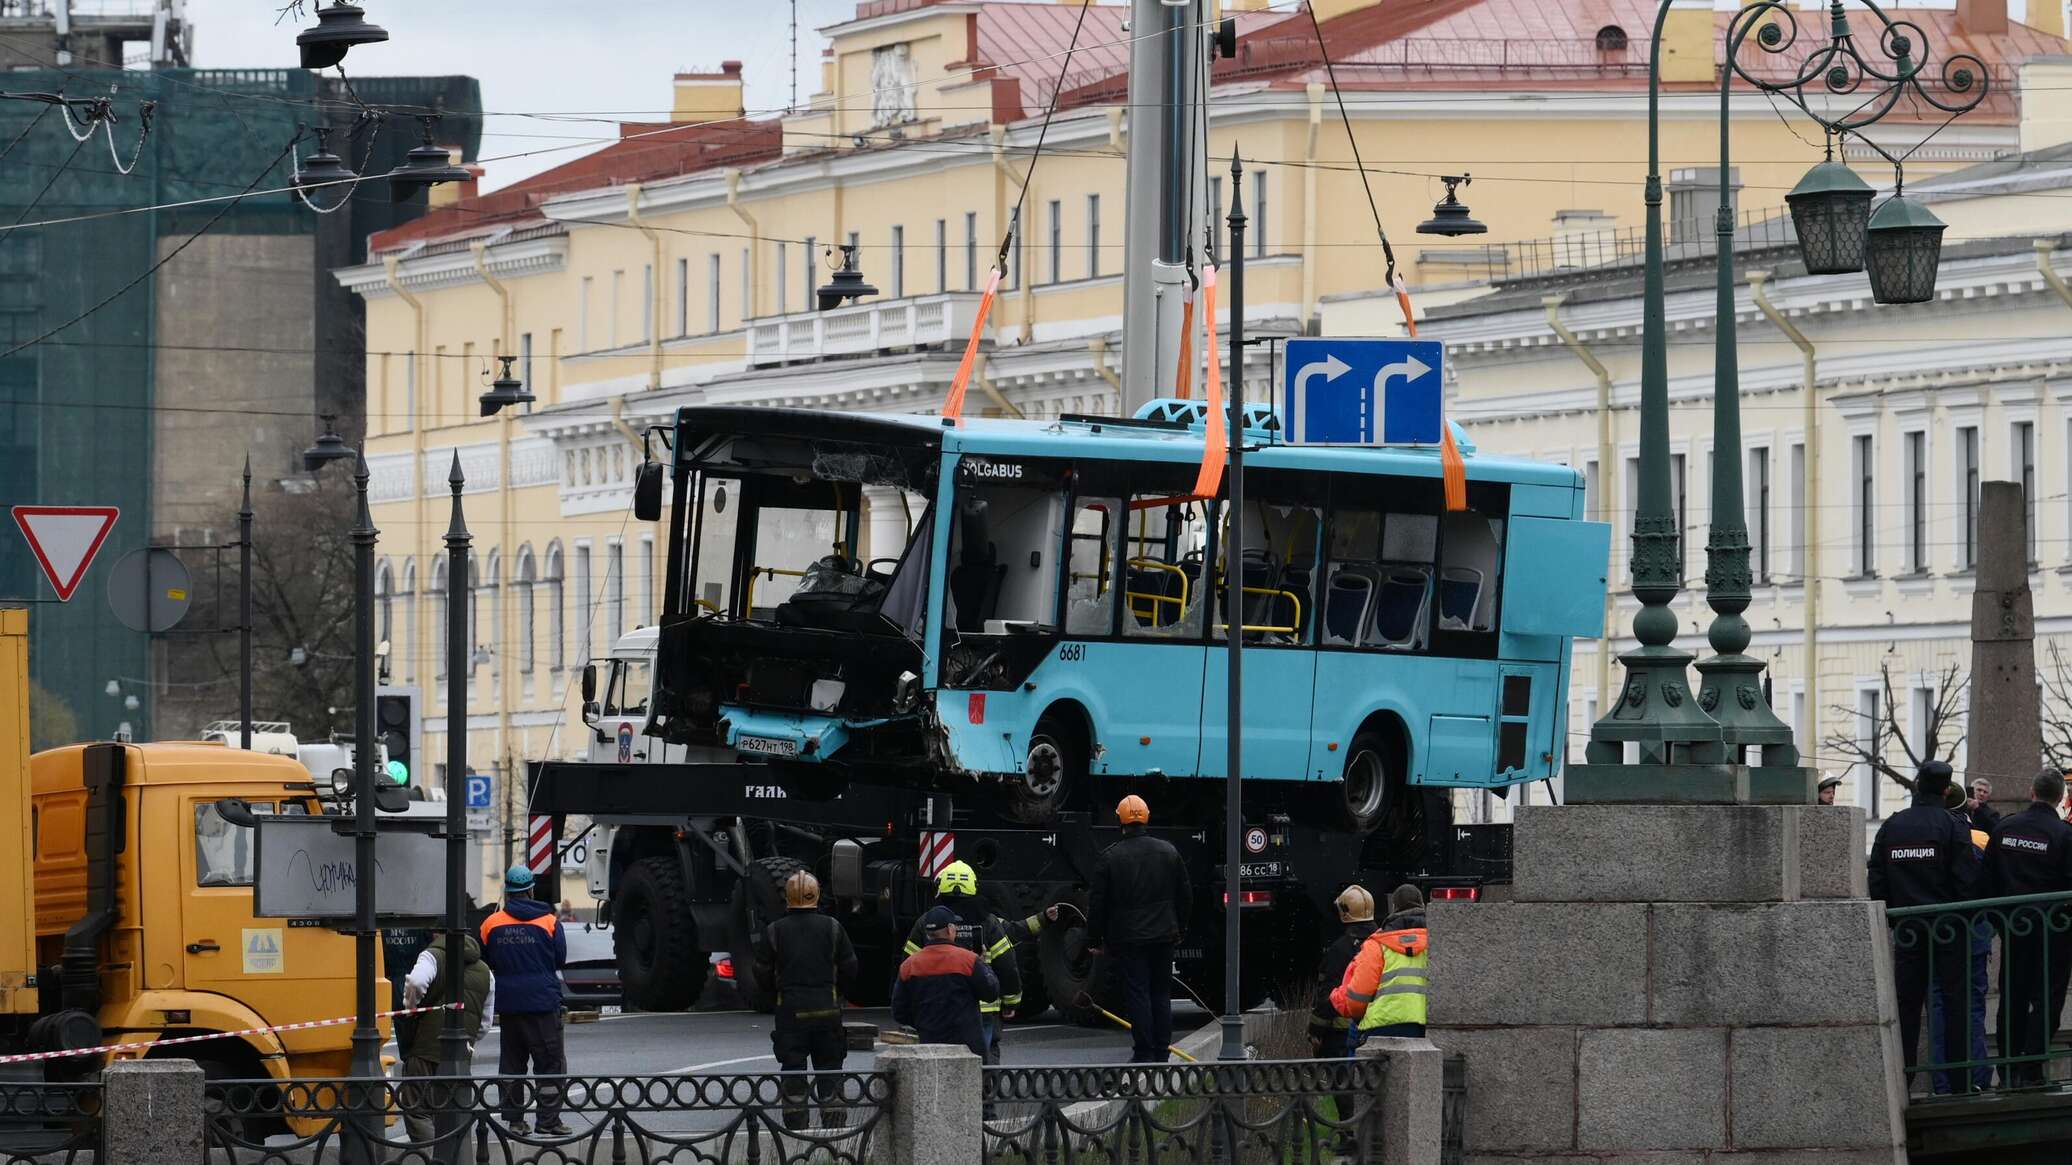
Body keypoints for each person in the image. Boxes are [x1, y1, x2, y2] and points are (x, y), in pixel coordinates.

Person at [1868, 760, 1980, 1080]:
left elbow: (1877, 878)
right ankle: (1958, 1080)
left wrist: (1894, 916)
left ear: (1918, 785)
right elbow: (1967, 879)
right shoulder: (1952, 826)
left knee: (1907, 1006)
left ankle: (1904, 1078)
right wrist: (1963, 917)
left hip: (1908, 930)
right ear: (1946, 790)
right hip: (1948, 929)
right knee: (1954, 1002)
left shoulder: (1892, 825)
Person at [901, 860, 1054, 1064]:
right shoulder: (988, 921)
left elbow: (908, 965)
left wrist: (911, 1006)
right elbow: (1007, 965)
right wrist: (1011, 1001)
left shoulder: (926, 923)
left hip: (936, 1006)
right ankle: (984, 1092)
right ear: (973, 887)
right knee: (983, 1060)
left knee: (936, 1062)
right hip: (983, 1010)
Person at [1087, 794, 1191, 1064]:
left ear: (1120, 820)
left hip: (1129, 938)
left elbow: (1097, 904)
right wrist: (1180, 927)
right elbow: (1185, 895)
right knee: (1161, 992)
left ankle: (1143, 1051)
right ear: (1146, 817)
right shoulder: (1168, 852)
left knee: (1138, 993)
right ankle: (1162, 1051)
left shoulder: (1109, 858)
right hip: (1165, 935)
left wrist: (1094, 938)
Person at [1985, 768, 2072, 1087]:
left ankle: (2008, 1068)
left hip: (2014, 928)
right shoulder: (2063, 835)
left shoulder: (2005, 827)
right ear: (2060, 798)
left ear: (2032, 792)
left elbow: (1987, 882)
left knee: (2012, 997)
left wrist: (2001, 922)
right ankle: (2032, 1069)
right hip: (2053, 933)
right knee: (2048, 999)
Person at [752, 870, 858, 1129]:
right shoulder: (833, 928)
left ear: (788, 898)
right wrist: (837, 994)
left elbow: (761, 972)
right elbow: (851, 968)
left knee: (794, 1073)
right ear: (817, 895)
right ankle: (834, 1130)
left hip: (790, 1014)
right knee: (830, 1071)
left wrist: (776, 995)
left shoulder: (775, 931)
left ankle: (796, 1130)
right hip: (827, 1012)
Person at [479, 864, 570, 1136]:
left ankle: (515, 1121)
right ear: (531, 891)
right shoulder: (550, 922)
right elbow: (559, 959)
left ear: (507, 891)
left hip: (509, 1006)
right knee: (550, 1064)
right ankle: (548, 1121)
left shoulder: (490, 924)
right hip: (543, 1004)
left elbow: (485, 960)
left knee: (511, 1065)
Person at [399, 931, 496, 1143]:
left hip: (426, 1047)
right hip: (461, 1054)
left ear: (435, 934)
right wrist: (468, 1038)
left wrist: (410, 1008)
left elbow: (415, 982)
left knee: (418, 1108)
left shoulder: (432, 956)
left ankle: (432, 1155)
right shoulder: (485, 971)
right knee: (453, 1112)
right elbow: (486, 1021)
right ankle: (453, 1155)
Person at [1925, 783, 1991, 1094]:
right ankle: (1976, 1077)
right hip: (1974, 933)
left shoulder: (1930, 836)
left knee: (1938, 1004)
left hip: (1936, 932)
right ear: (1967, 808)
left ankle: (1942, 1082)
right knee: (1974, 1006)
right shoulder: (1979, 839)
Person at [893, 906, 1000, 1056]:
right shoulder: (968, 960)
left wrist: (924, 1023)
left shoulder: (909, 965)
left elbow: (899, 1011)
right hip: (968, 1048)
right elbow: (991, 992)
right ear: (950, 930)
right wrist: (984, 965)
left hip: (929, 1047)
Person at [1332, 885, 1430, 1048]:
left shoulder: (1376, 945)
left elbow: (1357, 1001)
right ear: (1423, 906)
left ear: (1393, 907)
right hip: (1426, 1027)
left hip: (1382, 1027)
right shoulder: (1437, 942)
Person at [1309, 886, 1379, 1061]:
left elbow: (1327, 995)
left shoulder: (1339, 950)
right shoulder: (1382, 944)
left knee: (1342, 1084)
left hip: (1341, 1033)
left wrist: (1315, 1030)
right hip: (1378, 1027)